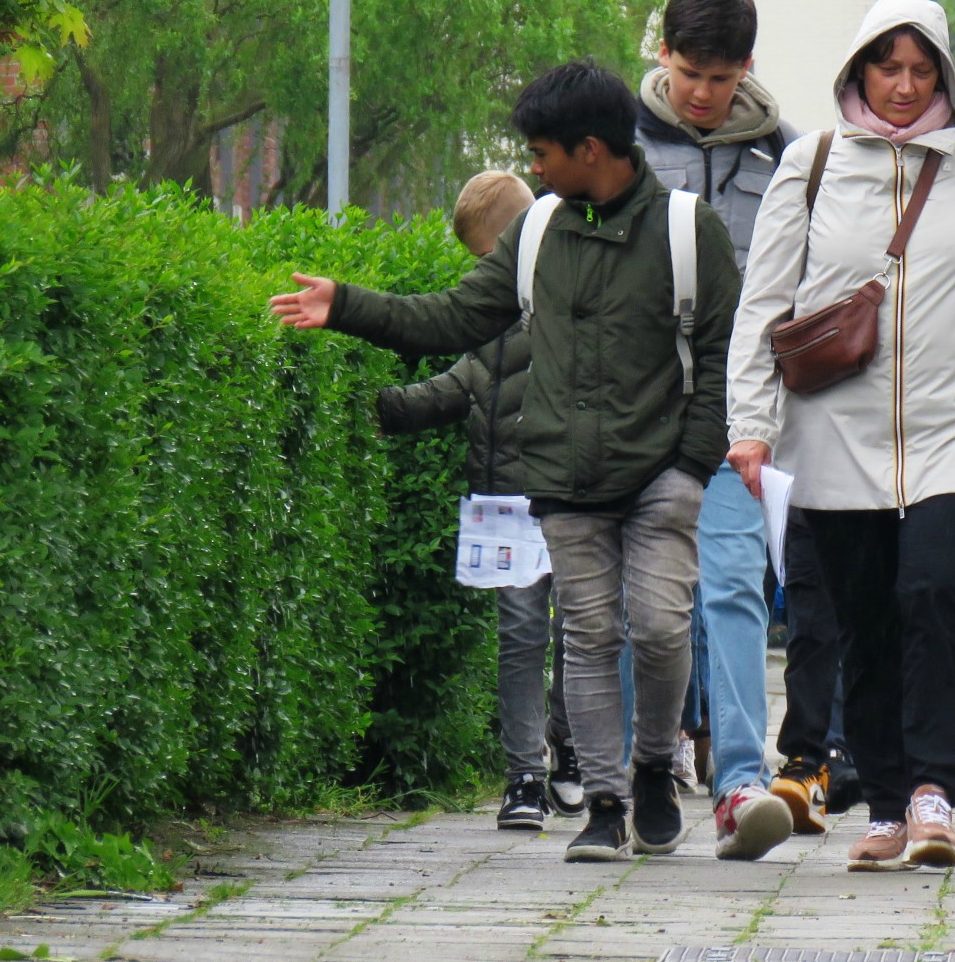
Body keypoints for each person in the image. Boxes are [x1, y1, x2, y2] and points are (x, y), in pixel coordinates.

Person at [270, 61, 741, 863]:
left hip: (662, 471)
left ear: (590, 149)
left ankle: (656, 765)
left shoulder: (687, 230)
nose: (534, 167)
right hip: (561, 476)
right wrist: (345, 305)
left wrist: (693, 465)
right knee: (590, 636)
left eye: (543, 151)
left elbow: (723, 353)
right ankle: (603, 800)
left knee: (661, 629)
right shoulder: (536, 232)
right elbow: (454, 316)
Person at [727, 0, 955, 872]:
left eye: (923, 69)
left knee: (935, 591)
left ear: (946, 72)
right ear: (860, 70)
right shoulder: (812, 164)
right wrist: (750, 425)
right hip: (834, 425)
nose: (907, 86)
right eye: (890, 67)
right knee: (864, 618)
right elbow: (764, 304)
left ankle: (931, 791)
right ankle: (883, 802)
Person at [634, 0, 807, 861]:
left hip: (739, 415)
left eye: (720, 76)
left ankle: (740, 782)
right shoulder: (617, 148)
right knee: (642, 608)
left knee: (735, 589)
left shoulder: (788, 157)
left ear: (746, 68)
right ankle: (638, 770)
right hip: (636, 419)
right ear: (662, 54)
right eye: (688, 72)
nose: (702, 93)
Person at [370, 171, 583, 831]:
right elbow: (465, 382)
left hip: (570, 497)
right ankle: (528, 772)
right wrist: (382, 409)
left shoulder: (575, 296)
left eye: (489, 259)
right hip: (505, 503)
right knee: (526, 634)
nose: (483, 274)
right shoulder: (488, 322)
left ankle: (562, 751)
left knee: (575, 631)